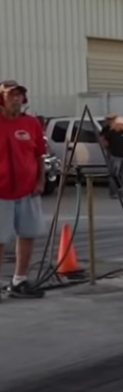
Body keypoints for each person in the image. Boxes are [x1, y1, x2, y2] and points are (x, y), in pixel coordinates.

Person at [0, 80, 47, 300]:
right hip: (1, 192)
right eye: (11, 95)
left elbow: (39, 155)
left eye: (19, 95)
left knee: (28, 234)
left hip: (28, 190)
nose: (16, 99)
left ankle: (19, 280)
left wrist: (40, 181)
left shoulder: (31, 123)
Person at [100, 115, 123, 198]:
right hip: (115, 155)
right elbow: (102, 138)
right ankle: (113, 192)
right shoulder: (110, 132)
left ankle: (122, 191)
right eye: (122, 125)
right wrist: (106, 147)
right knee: (114, 174)